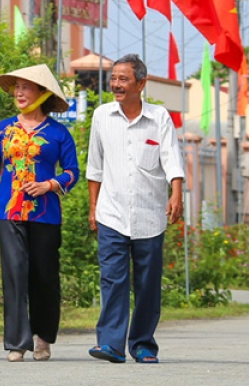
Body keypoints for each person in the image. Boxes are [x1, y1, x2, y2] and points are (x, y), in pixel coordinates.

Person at [86, 54, 185, 365]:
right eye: (113, 78)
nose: (116, 84)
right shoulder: (102, 116)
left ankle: (143, 344)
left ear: (141, 83)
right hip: (111, 213)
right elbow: (95, 166)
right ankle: (111, 344)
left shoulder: (159, 118)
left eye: (123, 79)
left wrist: (177, 193)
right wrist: (93, 207)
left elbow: (171, 158)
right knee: (112, 279)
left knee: (147, 283)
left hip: (149, 215)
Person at [0, 63, 79, 363]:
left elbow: (73, 173)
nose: (19, 92)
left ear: (41, 93)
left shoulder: (59, 133)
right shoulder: (4, 129)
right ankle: (16, 343)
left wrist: (50, 184)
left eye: (26, 87)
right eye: (16, 87)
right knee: (14, 273)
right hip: (7, 212)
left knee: (44, 276)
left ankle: (43, 337)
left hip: (46, 214)